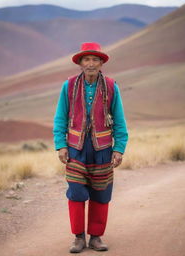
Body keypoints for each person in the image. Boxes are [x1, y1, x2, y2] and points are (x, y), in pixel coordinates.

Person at [53, 42, 128, 253]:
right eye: (87, 59)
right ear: (80, 63)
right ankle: (78, 237)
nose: (91, 63)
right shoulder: (68, 86)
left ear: (101, 62)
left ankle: (96, 237)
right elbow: (60, 118)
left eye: (95, 59)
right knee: (76, 192)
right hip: (75, 148)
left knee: (101, 192)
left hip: (103, 148)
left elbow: (120, 121)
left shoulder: (112, 86)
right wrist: (61, 145)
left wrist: (119, 148)